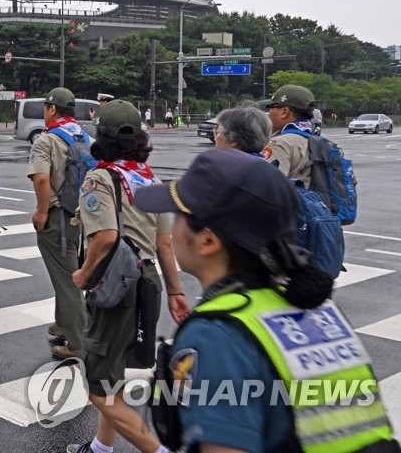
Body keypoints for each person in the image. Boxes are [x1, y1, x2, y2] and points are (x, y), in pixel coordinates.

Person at [136, 149, 399, 453]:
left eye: (178, 214)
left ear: (207, 240)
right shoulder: (321, 311)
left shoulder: (216, 334)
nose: (172, 226)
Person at [67, 100, 188, 453]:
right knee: (113, 372)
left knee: (96, 388)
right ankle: (100, 448)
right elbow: (164, 244)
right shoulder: (150, 179)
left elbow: (104, 237)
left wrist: (83, 273)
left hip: (115, 283)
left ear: (101, 135)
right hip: (148, 281)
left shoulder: (101, 177)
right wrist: (176, 292)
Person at [28, 87, 90, 360]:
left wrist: (42, 212)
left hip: (58, 218)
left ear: (52, 109)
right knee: (68, 271)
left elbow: (41, 178)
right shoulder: (86, 136)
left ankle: (78, 343)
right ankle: (64, 323)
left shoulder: (47, 140)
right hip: (84, 217)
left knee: (68, 280)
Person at [259, 84, 319, 185]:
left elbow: (267, 186)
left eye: (270, 108)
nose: (269, 114)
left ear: (284, 112)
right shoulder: (319, 141)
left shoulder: (279, 144)